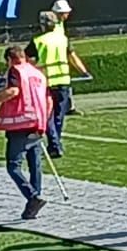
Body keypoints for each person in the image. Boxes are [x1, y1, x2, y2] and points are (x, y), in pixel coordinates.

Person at [0, 44, 50, 220]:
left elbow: (13, 91)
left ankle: (33, 197)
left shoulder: (15, 71)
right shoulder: (37, 73)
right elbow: (48, 100)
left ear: (9, 59)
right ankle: (34, 203)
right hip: (38, 122)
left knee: (13, 166)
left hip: (21, 123)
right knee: (35, 165)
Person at [32, 9, 88, 159]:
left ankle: (55, 144)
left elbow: (27, 60)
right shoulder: (63, 39)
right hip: (63, 80)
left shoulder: (38, 41)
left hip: (47, 82)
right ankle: (55, 143)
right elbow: (72, 56)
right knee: (58, 116)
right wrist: (84, 72)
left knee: (47, 115)